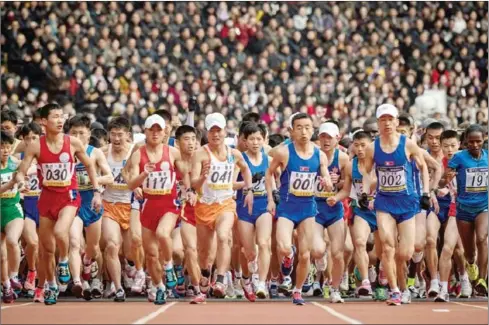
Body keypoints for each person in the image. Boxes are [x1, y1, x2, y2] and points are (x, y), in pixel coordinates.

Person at [15, 103, 102, 305]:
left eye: (62, 116)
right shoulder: (37, 145)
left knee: (61, 232)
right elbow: (23, 168)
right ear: (44, 121)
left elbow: (89, 165)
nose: (60, 120)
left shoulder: (72, 143)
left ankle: (63, 261)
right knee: (46, 250)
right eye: (55, 116)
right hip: (46, 198)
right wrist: (20, 178)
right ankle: (51, 285)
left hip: (69, 197)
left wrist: (97, 191)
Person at [361, 104, 430, 306]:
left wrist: (425, 192)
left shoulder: (407, 144)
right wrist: (365, 193)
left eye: (390, 119)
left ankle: (403, 284)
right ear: (378, 123)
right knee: (388, 248)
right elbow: (366, 173)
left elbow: (424, 167)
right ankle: (395, 291)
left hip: (408, 203)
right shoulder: (373, 147)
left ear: (397, 122)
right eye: (383, 119)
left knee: (405, 252)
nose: (387, 123)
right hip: (384, 203)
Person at [265, 113, 332, 305]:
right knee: (284, 247)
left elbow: (325, 174)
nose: (304, 132)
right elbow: (269, 175)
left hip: (307, 208)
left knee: (306, 254)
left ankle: (297, 290)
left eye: (308, 127)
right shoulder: (284, 152)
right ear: (292, 131)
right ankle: (289, 255)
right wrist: (271, 199)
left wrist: (327, 182)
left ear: (313, 130)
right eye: (299, 127)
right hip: (287, 207)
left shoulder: (319, 154)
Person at [127, 114, 194, 305]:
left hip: (168, 203)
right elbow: (131, 184)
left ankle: (169, 266)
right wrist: (143, 175)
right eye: (152, 130)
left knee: (163, 234)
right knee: (150, 254)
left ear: (164, 131)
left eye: (159, 130)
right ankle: (159, 287)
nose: (155, 133)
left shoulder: (172, 152)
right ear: (146, 132)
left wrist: (188, 190)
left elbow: (185, 173)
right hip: (148, 206)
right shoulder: (138, 154)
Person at [191, 113, 254, 300]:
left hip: (226, 204)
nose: (216, 135)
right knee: (204, 253)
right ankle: (205, 276)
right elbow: (194, 184)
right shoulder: (200, 154)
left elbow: (246, 169)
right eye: (212, 131)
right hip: (204, 206)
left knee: (224, 236)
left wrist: (249, 189)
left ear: (225, 131)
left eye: (219, 131)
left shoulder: (234, 154)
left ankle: (220, 279)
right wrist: (203, 176)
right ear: (207, 132)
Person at [67, 115, 113, 300]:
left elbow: (109, 177)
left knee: (93, 247)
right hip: (72, 203)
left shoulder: (95, 153)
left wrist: (94, 181)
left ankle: (87, 263)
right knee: (74, 242)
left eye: (81, 133)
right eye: (74, 133)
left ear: (89, 134)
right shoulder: (64, 153)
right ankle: (78, 281)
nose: (77, 136)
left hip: (92, 203)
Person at [443, 124, 488, 296]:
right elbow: (443, 181)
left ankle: (482, 280)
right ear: (465, 142)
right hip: (463, 208)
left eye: (478, 141)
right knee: (469, 252)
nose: (475, 145)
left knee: (483, 237)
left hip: (484, 206)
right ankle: (470, 264)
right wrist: (447, 178)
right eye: (471, 142)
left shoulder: (488, 156)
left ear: (484, 139)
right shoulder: (458, 158)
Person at [431, 130, 471, 301]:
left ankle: (468, 278)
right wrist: (442, 185)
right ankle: (443, 290)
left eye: (453, 145)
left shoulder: (470, 159)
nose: (449, 149)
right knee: (448, 247)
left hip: (478, 208)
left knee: (464, 251)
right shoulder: (441, 164)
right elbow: (436, 182)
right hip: (457, 208)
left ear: (459, 145)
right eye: (446, 146)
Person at [236, 123, 274, 300]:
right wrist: (247, 184)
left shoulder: (269, 159)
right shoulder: (240, 159)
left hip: (263, 205)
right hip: (244, 207)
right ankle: (245, 278)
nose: (255, 142)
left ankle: (261, 282)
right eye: (252, 139)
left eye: (259, 138)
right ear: (245, 141)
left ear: (264, 139)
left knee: (264, 243)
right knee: (249, 252)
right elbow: (230, 184)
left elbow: (275, 181)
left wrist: (274, 198)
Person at [312, 122, 349, 303]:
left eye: (330, 137)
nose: (326, 141)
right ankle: (320, 264)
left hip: (334, 208)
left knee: (338, 253)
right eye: (323, 137)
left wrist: (338, 184)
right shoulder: (311, 154)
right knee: (318, 250)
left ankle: (335, 289)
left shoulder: (342, 159)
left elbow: (347, 187)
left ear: (337, 138)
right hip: (314, 207)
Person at [102, 116, 137, 301]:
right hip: (110, 205)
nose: (116, 139)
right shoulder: (102, 153)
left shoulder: (135, 151)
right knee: (111, 245)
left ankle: (132, 266)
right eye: (113, 134)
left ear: (128, 135)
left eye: (120, 135)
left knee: (131, 250)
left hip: (132, 206)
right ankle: (118, 287)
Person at [348, 130, 379, 297]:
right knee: (359, 242)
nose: (360, 149)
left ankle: (381, 278)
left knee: (380, 253)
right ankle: (366, 282)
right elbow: (346, 188)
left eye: (363, 145)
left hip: (383, 210)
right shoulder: (350, 165)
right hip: (362, 210)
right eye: (356, 145)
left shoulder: (380, 162)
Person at [17, 122, 45, 302]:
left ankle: (46, 283)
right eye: (27, 138)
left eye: (34, 137)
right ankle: (32, 272)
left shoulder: (47, 156)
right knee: (33, 243)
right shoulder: (17, 158)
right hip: (26, 206)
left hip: (44, 206)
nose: (31, 141)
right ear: (23, 140)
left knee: (46, 248)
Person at [0, 131, 25, 303]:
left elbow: (23, 174)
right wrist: (11, 183)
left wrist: (21, 182)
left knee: (11, 240)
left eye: (8, 147)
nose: (6, 151)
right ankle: (6, 285)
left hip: (13, 209)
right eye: (2, 147)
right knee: (1, 256)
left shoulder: (15, 163)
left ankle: (14, 276)